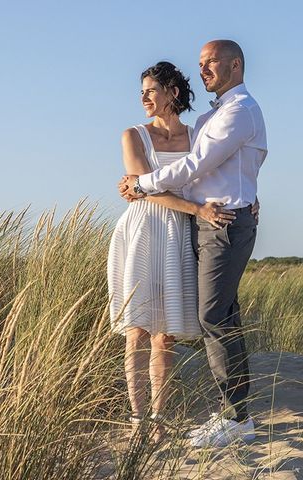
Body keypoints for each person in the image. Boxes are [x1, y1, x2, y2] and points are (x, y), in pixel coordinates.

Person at [119, 40, 267, 448]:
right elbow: (239, 162)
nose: (203, 69)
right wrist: (246, 189)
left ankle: (236, 418)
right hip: (179, 228)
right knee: (218, 317)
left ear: (235, 65)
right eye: (200, 63)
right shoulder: (208, 118)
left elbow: (196, 165)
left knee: (212, 317)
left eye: (211, 62)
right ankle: (228, 415)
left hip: (214, 224)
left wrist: (142, 185)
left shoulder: (237, 111)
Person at [108, 61, 237, 443]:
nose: (144, 97)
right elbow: (146, 189)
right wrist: (195, 207)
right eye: (142, 92)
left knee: (165, 337)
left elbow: (215, 173)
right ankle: (137, 420)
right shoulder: (133, 135)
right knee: (137, 331)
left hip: (179, 236)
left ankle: (158, 419)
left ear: (173, 93)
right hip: (142, 232)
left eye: (151, 90)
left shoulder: (198, 135)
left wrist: (246, 199)